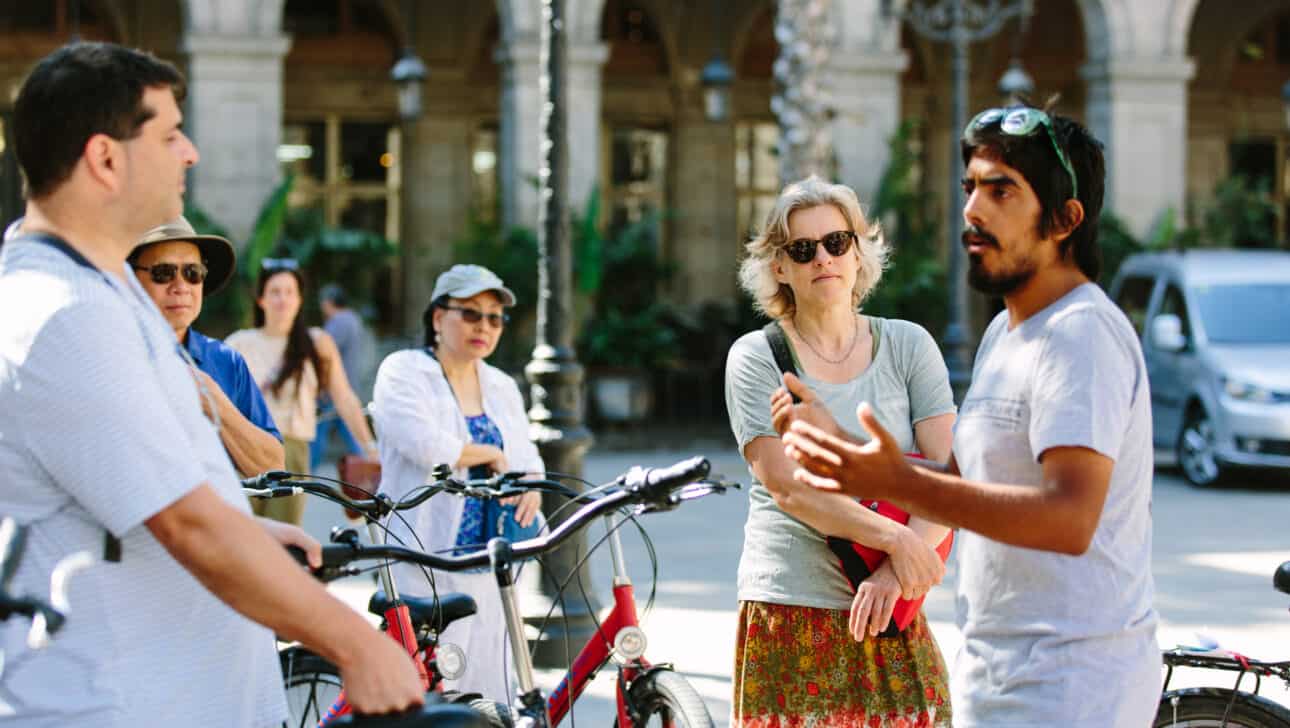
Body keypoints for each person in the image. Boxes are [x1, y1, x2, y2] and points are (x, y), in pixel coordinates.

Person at [0, 42, 422, 727]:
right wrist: (358, 646)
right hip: (120, 708)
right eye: (169, 135)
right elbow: (188, 525)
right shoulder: (65, 314)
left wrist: (251, 535)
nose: (190, 153)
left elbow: (154, 491)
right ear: (105, 159)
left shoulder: (100, 292)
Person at [783, 106, 1158, 727]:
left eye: (1001, 191)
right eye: (971, 188)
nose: (973, 210)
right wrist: (851, 453)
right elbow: (962, 485)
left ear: (1065, 220)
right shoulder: (1004, 335)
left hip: (1075, 685)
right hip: (998, 674)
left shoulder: (1082, 334)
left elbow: (1070, 518)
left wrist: (891, 481)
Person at [724, 176, 957, 727]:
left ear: (858, 251)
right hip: (789, 609)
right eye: (803, 249)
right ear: (780, 267)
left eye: (836, 242)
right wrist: (898, 540)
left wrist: (894, 574)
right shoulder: (757, 357)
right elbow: (789, 489)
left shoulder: (909, 345)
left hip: (890, 609)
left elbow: (950, 478)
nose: (823, 259)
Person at [370, 263, 544, 703]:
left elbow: (527, 458)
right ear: (437, 317)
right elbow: (423, 443)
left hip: (491, 561)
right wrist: (489, 454)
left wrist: (532, 486)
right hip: (425, 556)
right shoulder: (403, 370)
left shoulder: (501, 385)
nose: (483, 326)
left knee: (492, 686)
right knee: (426, 691)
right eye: (470, 313)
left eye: (494, 318)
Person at [128, 216, 284, 477]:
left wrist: (214, 402)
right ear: (131, 280)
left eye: (193, 273)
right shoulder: (111, 357)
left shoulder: (226, 361)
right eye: (163, 273)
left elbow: (273, 466)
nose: (181, 287)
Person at [227, 261, 377, 525]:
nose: (282, 299)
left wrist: (370, 448)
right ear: (261, 299)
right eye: (275, 292)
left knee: (284, 537)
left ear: (299, 300)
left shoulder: (317, 343)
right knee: (240, 532)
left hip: (292, 451)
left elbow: (344, 398)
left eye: (289, 292)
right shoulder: (239, 343)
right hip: (244, 446)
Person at [310, 282, 375, 470]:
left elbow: (321, 352)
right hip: (349, 385)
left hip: (335, 389)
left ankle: (305, 472)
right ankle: (372, 463)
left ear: (328, 302)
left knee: (319, 433)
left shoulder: (338, 322)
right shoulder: (353, 319)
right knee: (351, 432)